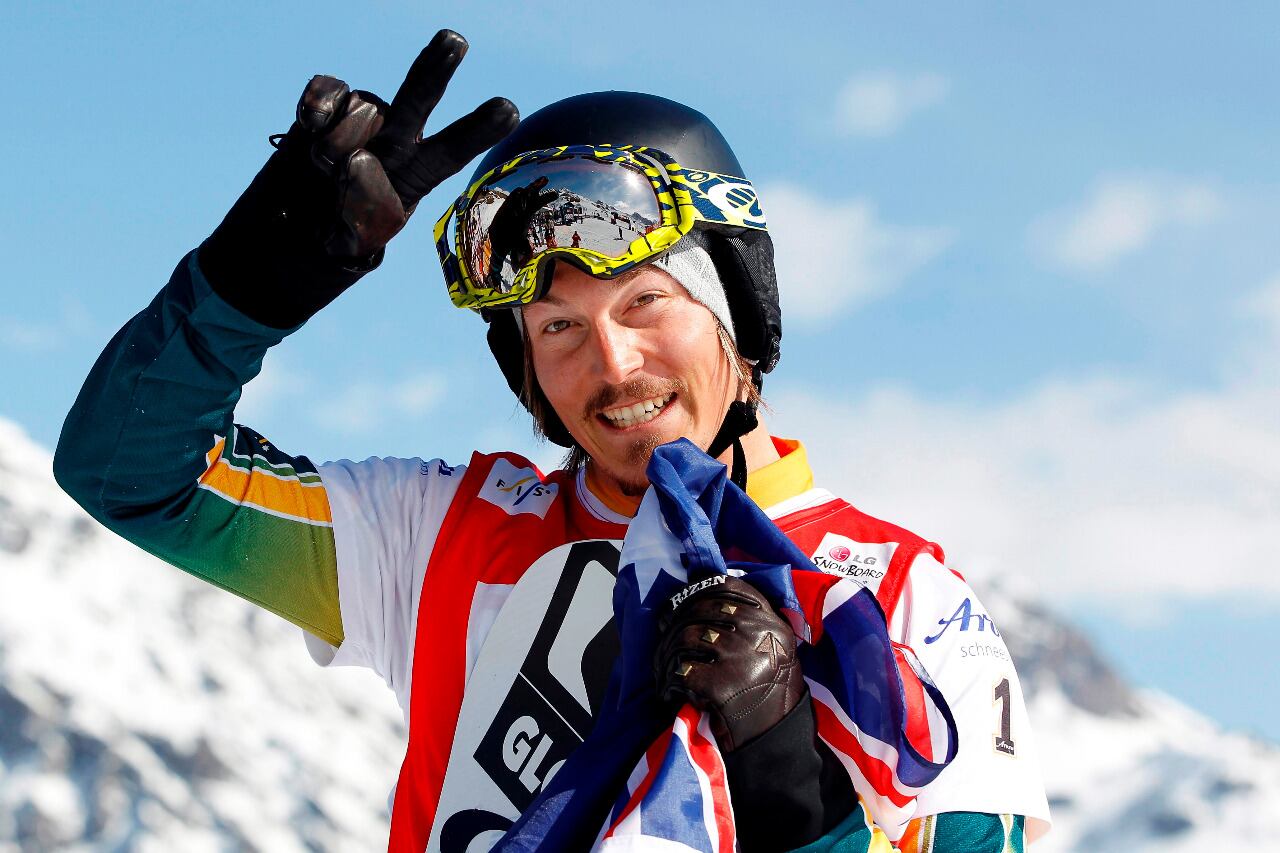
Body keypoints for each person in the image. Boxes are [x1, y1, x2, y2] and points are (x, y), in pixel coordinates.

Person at [54, 29, 1050, 853]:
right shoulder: (441, 534)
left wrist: (788, 779)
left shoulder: (903, 594)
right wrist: (254, 276)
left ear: (739, 314)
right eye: (557, 329)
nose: (612, 367)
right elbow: (128, 470)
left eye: (646, 301)